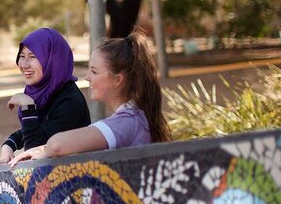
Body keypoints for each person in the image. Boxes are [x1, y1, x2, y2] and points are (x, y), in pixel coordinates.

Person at [9, 29, 172, 166]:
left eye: (94, 71)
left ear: (118, 80)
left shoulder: (127, 120)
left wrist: (43, 148)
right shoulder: (134, 116)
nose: (87, 77)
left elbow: (57, 145)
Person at [0, 28, 91, 164]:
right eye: (22, 56)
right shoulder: (45, 92)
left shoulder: (69, 101)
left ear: (53, 59)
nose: (24, 65)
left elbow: (35, 151)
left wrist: (28, 107)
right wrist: (9, 144)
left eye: (33, 56)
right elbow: (40, 129)